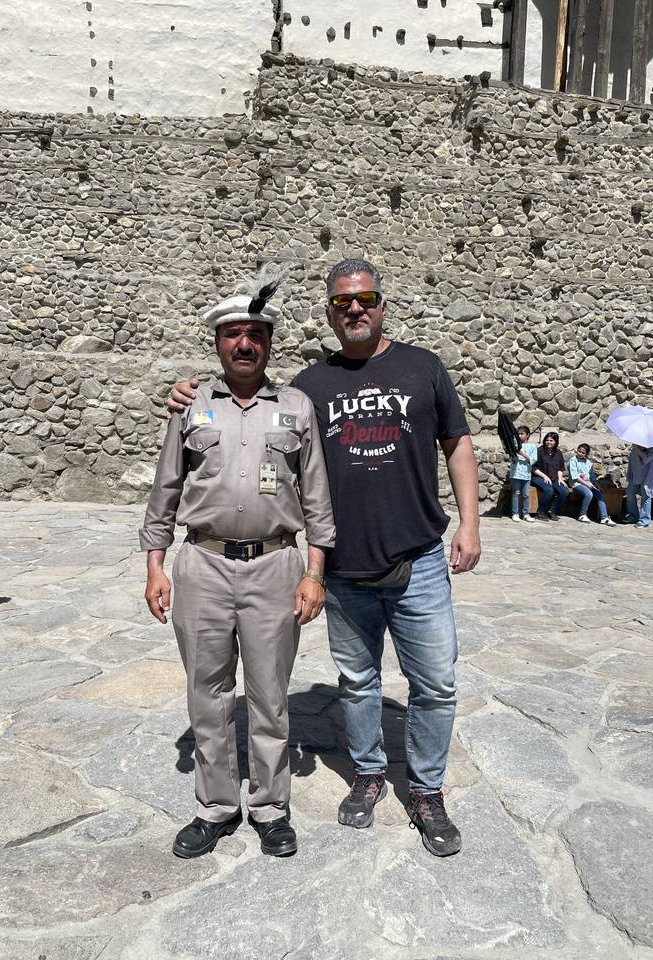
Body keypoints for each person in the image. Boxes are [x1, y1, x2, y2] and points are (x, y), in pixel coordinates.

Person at [168, 258, 481, 858]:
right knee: (358, 683)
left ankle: (427, 790)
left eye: (364, 299)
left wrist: (469, 524)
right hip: (342, 569)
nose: (355, 309)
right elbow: (252, 405)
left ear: (382, 303)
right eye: (342, 303)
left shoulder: (423, 367)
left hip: (417, 559)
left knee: (436, 685)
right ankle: (366, 774)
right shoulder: (311, 386)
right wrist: (189, 392)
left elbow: (457, 443)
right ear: (329, 312)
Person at [140, 274, 335, 859]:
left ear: (268, 344)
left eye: (255, 334)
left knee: (271, 695)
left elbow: (318, 497)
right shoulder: (190, 406)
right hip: (202, 563)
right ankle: (217, 806)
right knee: (209, 693)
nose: (244, 344)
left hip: (276, 564)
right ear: (218, 343)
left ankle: (271, 807)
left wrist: (314, 571)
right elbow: (165, 490)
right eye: (233, 335)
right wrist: (156, 566)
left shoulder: (297, 408)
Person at [567, 443, 616, 525]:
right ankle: (582, 515)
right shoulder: (573, 460)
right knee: (588, 494)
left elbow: (592, 476)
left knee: (600, 494)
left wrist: (596, 484)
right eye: (579, 451)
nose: (580, 454)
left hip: (588, 483)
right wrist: (586, 484)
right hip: (576, 483)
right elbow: (575, 476)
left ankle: (604, 517)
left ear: (586, 454)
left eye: (583, 453)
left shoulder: (588, 463)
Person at [531, 432, 570, 520]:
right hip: (538, 477)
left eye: (551, 440)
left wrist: (560, 479)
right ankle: (540, 512)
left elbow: (560, 468)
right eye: (547, 440)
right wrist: (544, 476)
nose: (549, 442)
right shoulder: (539, 451)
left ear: (556, 442)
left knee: (564, 491)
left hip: (554, 478)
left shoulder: (558, 453)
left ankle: (552, 511)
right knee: (549, 490)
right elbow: (533, 467)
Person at [625, 443, 653, 527]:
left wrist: (638, 449)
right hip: (636, 474)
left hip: (649, 475)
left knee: (646, 496)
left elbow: (646, 459)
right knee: (630, 493)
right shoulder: (637, 443)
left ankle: (644, 520)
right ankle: (632, 515)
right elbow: (632, 459)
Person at [508, 425, 537, 522]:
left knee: (526, 495)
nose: (519, 436)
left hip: (526, 474)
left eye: (522, 434)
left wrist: (522, 453)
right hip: (516, 473)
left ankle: (525, 513)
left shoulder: (532, 446)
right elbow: (512, 459)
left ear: (527, 435)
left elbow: (533, 459)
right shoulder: (514, 446)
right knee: (516, 493)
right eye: (518, 434)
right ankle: (515, 513)